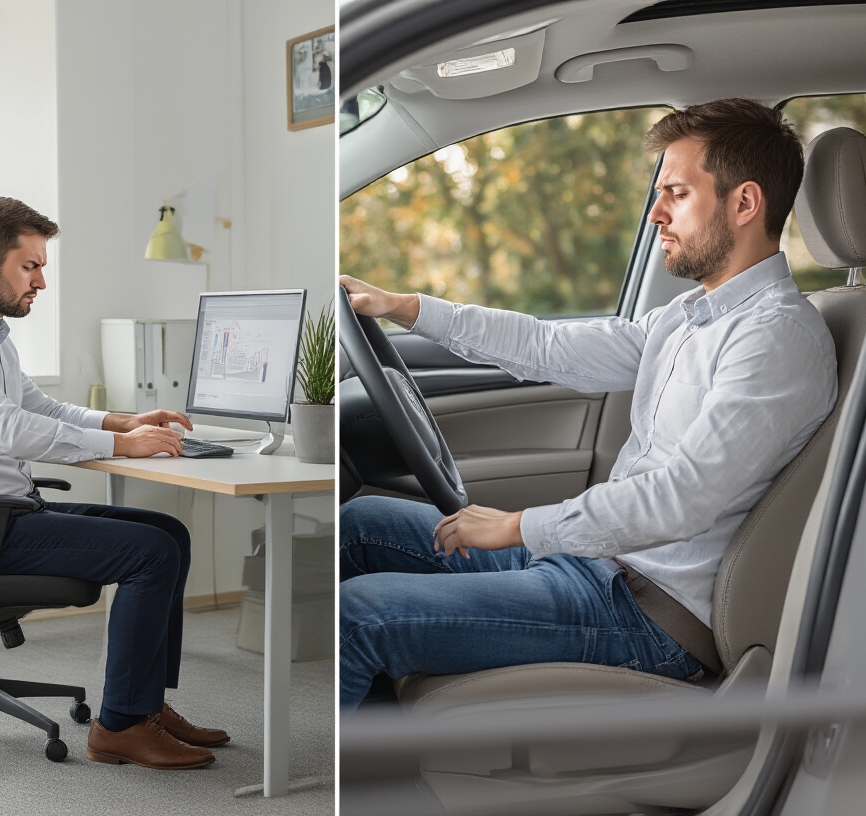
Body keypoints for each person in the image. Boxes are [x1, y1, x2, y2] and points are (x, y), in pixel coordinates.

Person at [338, 98, 838, 708]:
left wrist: (518, 526)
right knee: (359, 526)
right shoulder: (688, 316)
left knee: (356, 615)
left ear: (743, 203)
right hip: (598, 564)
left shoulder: (776, 338)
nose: (656, 213)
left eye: (676, 194)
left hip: (648, 610)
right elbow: (550, 347)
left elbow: (684, 496)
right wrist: (407, 308)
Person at [0, 195, 228, 768]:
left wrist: (125, 421)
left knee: (170, 532)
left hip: (3, 516)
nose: (41, 281)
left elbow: (39, 407)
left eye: (42, 266)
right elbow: (6, 429)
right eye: (31, 265)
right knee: (150, 554)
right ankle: (119, 726)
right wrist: (123, 446)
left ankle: (145, 704)